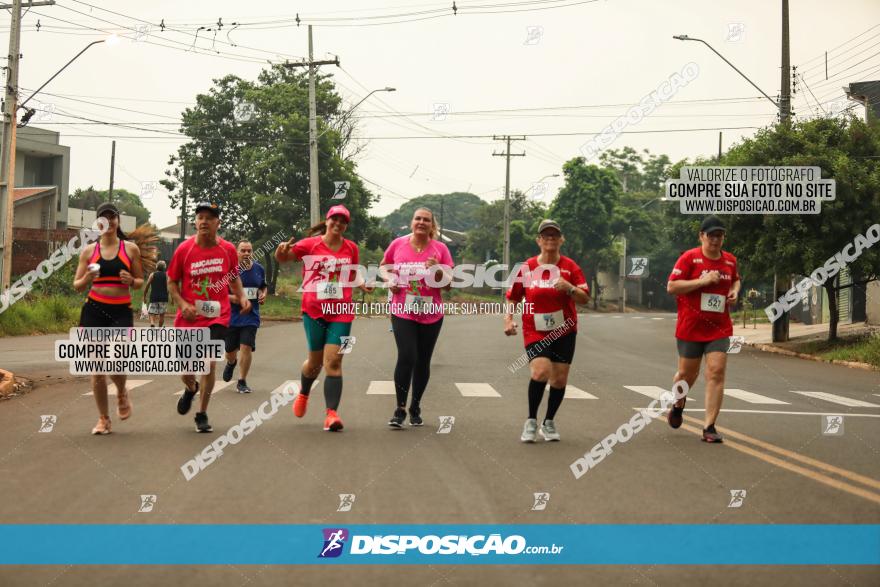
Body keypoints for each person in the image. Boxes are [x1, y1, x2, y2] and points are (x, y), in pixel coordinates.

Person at [276, 204, 366, 432]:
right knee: (315, 363)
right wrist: (280, 250)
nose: (338, 224)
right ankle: (304, 393)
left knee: (334, 362)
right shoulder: (310, 244)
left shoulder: (351, 248)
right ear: (327, 221)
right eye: (334, 219)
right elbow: (284, 258)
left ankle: (331, 415)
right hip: (314, 310)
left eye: (342, 221)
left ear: (346, 226)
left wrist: (362, 283)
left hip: (342, 312)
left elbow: (352, 275)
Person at [168, 202, 251, 433]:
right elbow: (171, 281)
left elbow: (233, 277)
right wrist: (183, 304)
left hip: (217, 314)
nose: (204, 221)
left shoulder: (227, 250)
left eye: (209, 218)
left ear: (218, 223)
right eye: (200, 217)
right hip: (189, 317)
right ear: (195, 222)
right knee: (187, 368)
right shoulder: (183, 250)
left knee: (207, 362)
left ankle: (201, 413)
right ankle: (191, 387)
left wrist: (242, 296)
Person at [504, 219, 590, 443]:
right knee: (540, 372)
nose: (550, 239)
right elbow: (514, 296)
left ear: (561, 240)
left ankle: (548, 422)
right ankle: (531, 421)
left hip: (565, 329)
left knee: (559, 380)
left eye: (554, 235)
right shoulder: (527, 267)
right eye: (546, 236)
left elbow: (585, 298)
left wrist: (569, 288)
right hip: (536, 329)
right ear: (539, 240)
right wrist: (508, 319)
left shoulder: (571, 267)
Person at [666, 215, 741, 443]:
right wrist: (703, 281)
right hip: (691, 327)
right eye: (711, 235)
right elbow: (672, 287)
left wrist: (735, 291)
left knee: (716, 372)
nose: (716, 240)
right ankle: (678, 404)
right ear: (702, 236)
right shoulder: (689, 258)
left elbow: (736, 279)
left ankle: (709, 426)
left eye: (720, 235)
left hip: (719, 327)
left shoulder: (729, 261)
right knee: (686, 376)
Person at [73, 202, 144, 435]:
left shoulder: (130, 249)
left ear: (117, 221)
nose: (109, 221)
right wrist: (88, 277)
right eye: (104, 218)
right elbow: (76, 285)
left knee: (116, 358)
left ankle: (122, 392)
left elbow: (141, 280)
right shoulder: (88, 251)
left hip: (120, 312)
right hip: (93, 311)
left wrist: (131, 281)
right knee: (97, 368)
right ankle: (103, 419)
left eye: (112, 217)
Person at [381, 207, 453, 428]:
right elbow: (384, 267)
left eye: (426, 220)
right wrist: (389, 279)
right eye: (418, 219)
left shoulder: (440, 249)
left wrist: (437, 271)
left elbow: (448, 284)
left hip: (431, 314)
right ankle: (400, 408)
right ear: (412, 222)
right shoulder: (398, 244)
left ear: (432, 226)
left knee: (422, 361)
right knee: (407, 356)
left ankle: (415, 405)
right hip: (402, 310)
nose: (421, 222)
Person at [222, 241, 268, 393]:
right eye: (243, 250)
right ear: (237, 252)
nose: (247, 253)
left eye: (250, 250)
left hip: (251, 316)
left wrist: (263, 294)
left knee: (246, 346)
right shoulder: (229, 270)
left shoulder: (258, 269)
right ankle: (231, 363)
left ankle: (242, 381)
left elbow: (262, 286)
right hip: (231, 316)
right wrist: (234, 298)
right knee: (229, 350)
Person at [142, 260, 169, 327]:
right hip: (164, 298)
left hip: (154, 297)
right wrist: (172, 299)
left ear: (156, 267)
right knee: (162, 315)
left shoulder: (152, 274)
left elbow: (147, 285)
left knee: (151, 313)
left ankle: (152, 323)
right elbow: (170, 287)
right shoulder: (167, 275)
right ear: (164, 267)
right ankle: (159, 330)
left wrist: (144, 296)